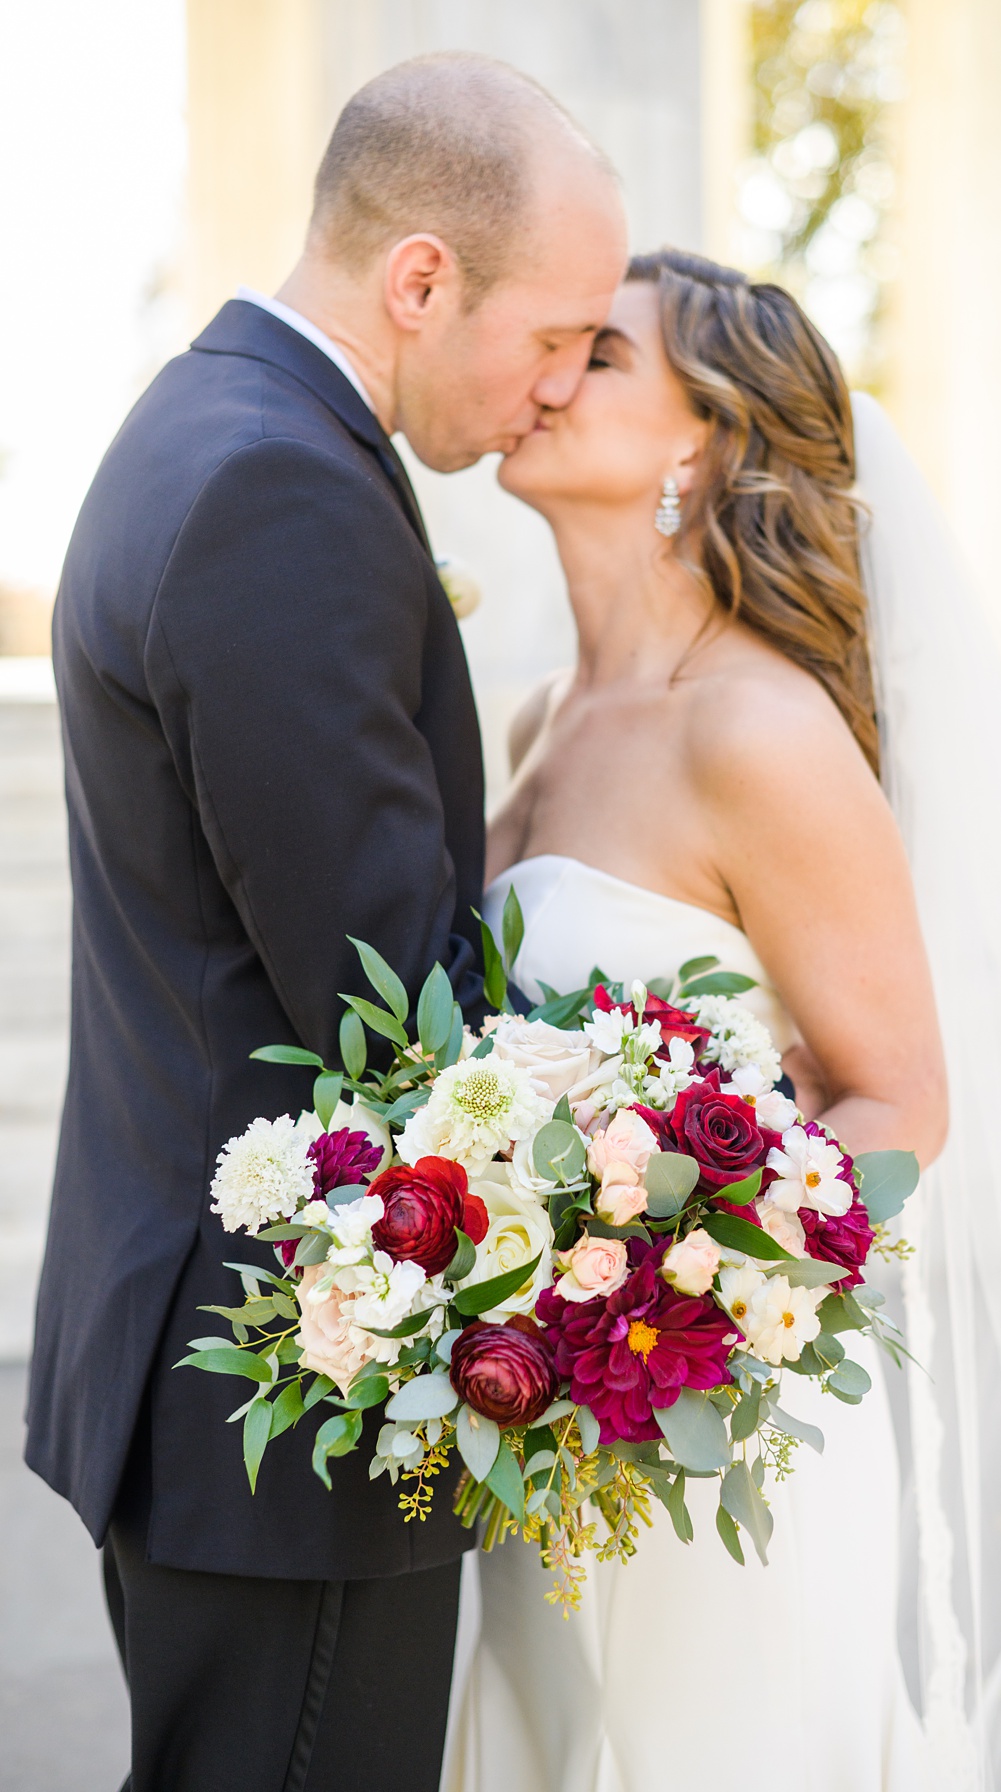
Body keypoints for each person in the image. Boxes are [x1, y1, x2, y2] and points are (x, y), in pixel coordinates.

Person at [443, 249, 1001, 1790]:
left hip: (698, 1434)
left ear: (699, 442)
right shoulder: (538, 718)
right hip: (539, 1425)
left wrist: (645, 1301)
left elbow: (900, 1099)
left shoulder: (757, 726)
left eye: (602, 355)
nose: (549, 372)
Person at [23, 53, 626, 1792]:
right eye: (557, 334)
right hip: (287, 1390)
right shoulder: (280, 490)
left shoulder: (208, 422)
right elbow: (390, 1007)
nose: (562, 385)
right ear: (422, 277)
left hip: (209, 1361)